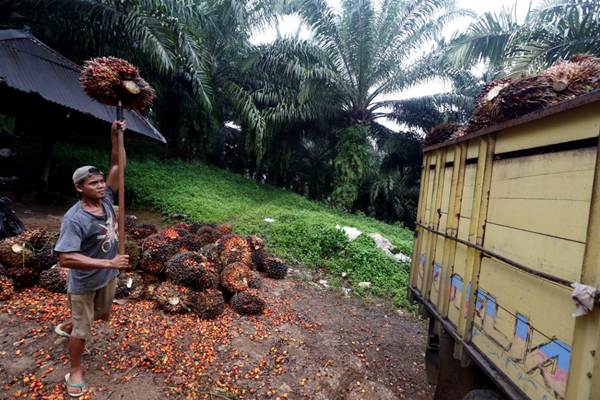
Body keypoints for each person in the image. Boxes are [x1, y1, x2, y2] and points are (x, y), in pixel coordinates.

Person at [53, 120, 130, 397]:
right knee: (83, 332)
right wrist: (110, 262)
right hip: (85, 282)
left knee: (100, 314)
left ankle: (74, 321)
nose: (100, 186)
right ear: (79, 188)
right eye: (93, 183)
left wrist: (115, 136)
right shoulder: (76, 219)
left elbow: (117, 167)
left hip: (107, 278)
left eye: (100, 182)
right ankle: (74, 370)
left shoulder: (106, 199)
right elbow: (65, 258)